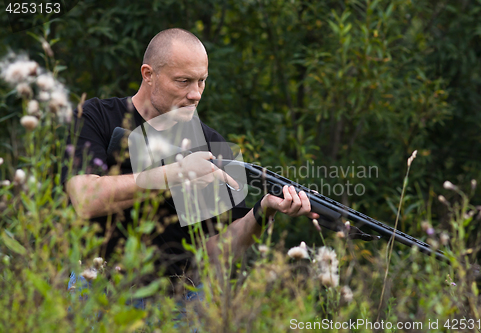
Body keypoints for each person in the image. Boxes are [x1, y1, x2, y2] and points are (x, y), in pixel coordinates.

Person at [63, 28, 319, 292]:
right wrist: (177, 173)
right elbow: (84, 198)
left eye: (202, 81)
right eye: (183, 81)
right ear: (148, 74)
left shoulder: (212, 144)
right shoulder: (96, 117)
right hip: (99, 290)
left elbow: (215, 255)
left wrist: (263, 211)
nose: (196, 94)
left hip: (176, 302)